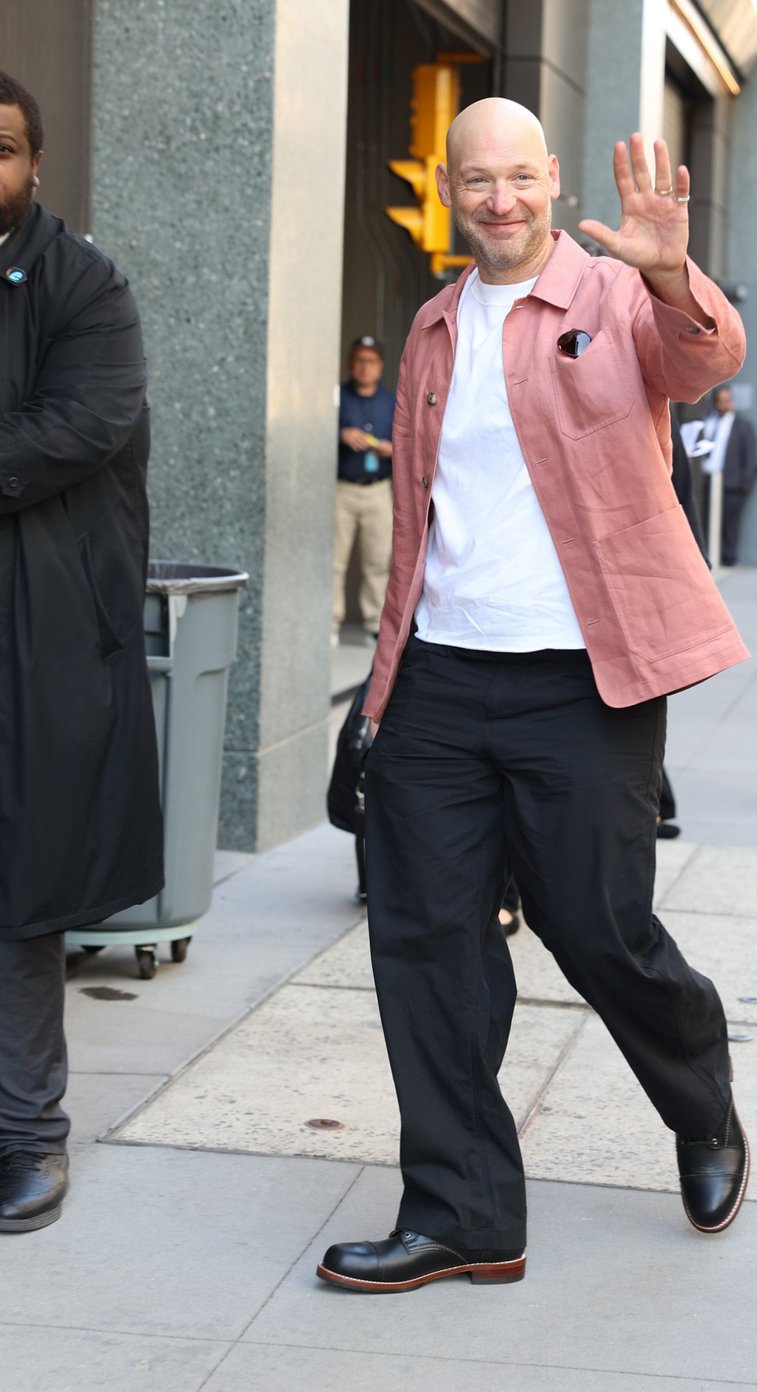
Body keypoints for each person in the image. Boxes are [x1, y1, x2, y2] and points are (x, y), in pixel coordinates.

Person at [317, 99, 750, 1294]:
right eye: (476, 180)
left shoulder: (615, 295)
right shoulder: (433, 326)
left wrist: (672, 275)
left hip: (582, 682)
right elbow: (420, 526)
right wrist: (385, 690)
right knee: (428, 941)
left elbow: (703, 360)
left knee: (595, 926)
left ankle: (698, 1095)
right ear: (447, 190)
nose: (499, 198)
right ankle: (464, 1212)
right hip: (444, 678)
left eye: (520, 176)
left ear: (552, 179)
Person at [0, 72, 162, 1232]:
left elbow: (76, 428)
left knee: (19, 892)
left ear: (35, 165)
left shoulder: (83, 286)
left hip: (35, 639)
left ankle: (28, 1135)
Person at [332, 335, 396, 642]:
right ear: (350, 363)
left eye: (370, 361)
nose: (364, 367)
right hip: (342, 488)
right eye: (359, 360)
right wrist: (341, 433)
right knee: (333, 561)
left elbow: (410, 444)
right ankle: (330, 624)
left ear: (380, 366)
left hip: (378, 489)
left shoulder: (392, 401)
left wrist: (391, 449)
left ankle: (374, 625)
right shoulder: (336, 396)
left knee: (378, 561)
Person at [700, 385, 757, 565]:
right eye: (720, 401)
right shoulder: (707, 422)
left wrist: (747, 479)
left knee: (729, 523)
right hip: (706, 480)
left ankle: (728, 557)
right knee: (705, 520)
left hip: (731, 483)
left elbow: (750, 454)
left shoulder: (743, 426)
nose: (724, 404)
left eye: (727, 400)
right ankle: (707, 556)